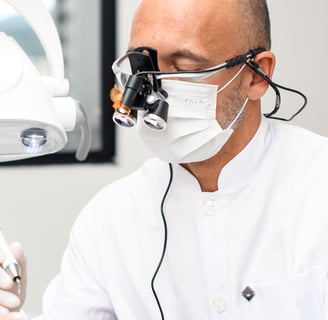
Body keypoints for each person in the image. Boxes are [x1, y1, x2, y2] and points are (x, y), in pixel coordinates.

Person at [2, 0, 328, 318]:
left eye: (185, 67)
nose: (155, 89)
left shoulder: (317, 186)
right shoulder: (109, 220)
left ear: (256, 76)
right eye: (143, 66)